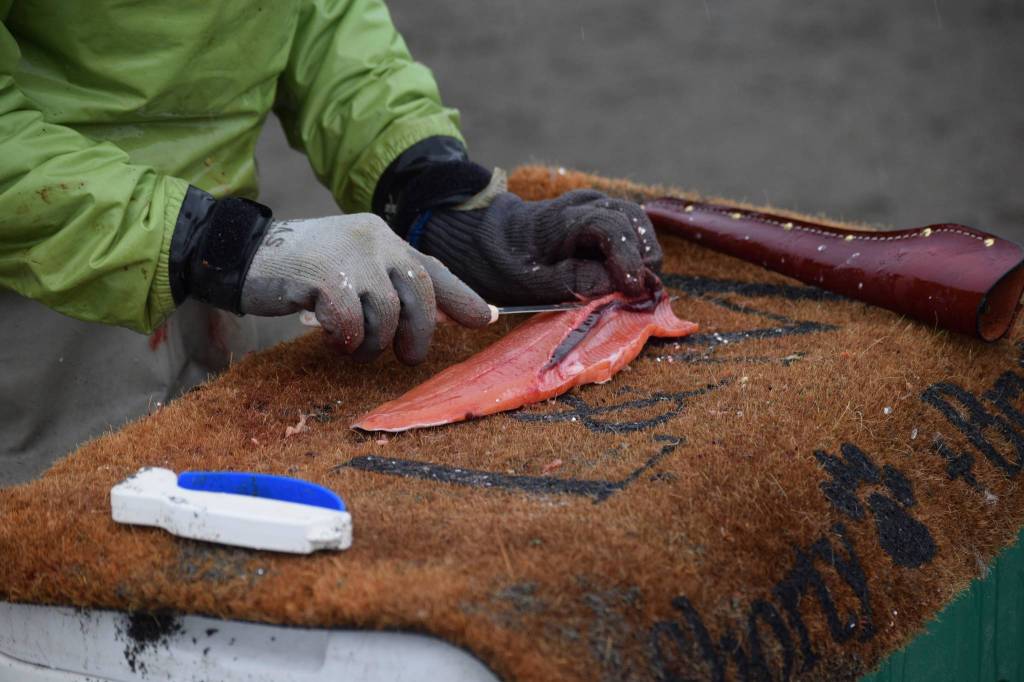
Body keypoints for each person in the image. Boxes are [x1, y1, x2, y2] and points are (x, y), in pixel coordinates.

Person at [0, 0, 663, 485]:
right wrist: (207, 242)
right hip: (39, 304)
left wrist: (429, 187)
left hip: (230, 293)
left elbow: (318, 16)